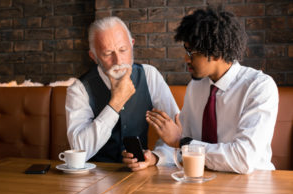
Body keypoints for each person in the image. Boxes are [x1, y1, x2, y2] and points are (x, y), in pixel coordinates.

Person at [144, 6, 279, 174]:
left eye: (191, 52)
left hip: (253, 184)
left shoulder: (258, 87)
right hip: (201, 181)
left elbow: (243, 159)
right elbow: (181, 144)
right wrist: (157, 158)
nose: (186, 58)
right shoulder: (195, 87)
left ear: (216, 53)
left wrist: (182, 142)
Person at [65, 16, 179, 168]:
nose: (118, 61)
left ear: (132, 45)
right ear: (94, 56)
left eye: (123, 50)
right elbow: (79, 150)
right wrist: (115, 103)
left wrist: (156, 157)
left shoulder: (150, 76)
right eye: (107, 54)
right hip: (96, 177)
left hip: (140, 175)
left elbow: (178, 132)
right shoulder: (79, 90)